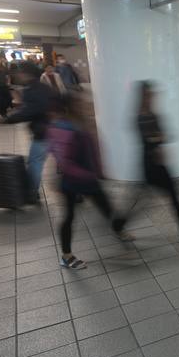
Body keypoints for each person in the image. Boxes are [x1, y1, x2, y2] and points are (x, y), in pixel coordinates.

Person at [48, 93, 132, 269]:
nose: (85, 106)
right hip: (71, 181)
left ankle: (119, 231)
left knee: (107, 208)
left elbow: (93, 149)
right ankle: (66, 256)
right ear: (69, 106)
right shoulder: (62, 128)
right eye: (80, 103)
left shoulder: (82, 124)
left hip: (89, 179)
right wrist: (90, 174)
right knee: (69, 217)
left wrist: (100, 170)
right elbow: (65, 162)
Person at [135, 82, 179, 244]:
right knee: (140, 203)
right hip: (148, 166)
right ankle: (118, 225)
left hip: (160, 165)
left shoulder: (153, 114)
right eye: (148, 95)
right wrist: (158, 138)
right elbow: (149, 139)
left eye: (152, 94)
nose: (151, 97)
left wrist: (157, 138)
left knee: (175, 197)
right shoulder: (139, 117)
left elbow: (168, 135)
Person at [2, 62, 53, 203]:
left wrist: (10, 119)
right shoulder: (43, 87)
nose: (18, 76)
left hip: (43, 132)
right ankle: (77, 191)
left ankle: (32, 193)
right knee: (63, 161)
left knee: (35, 162)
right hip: (55, 128)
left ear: (26, 74)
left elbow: (31, 111)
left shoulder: (32, 89)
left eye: (20, 73)